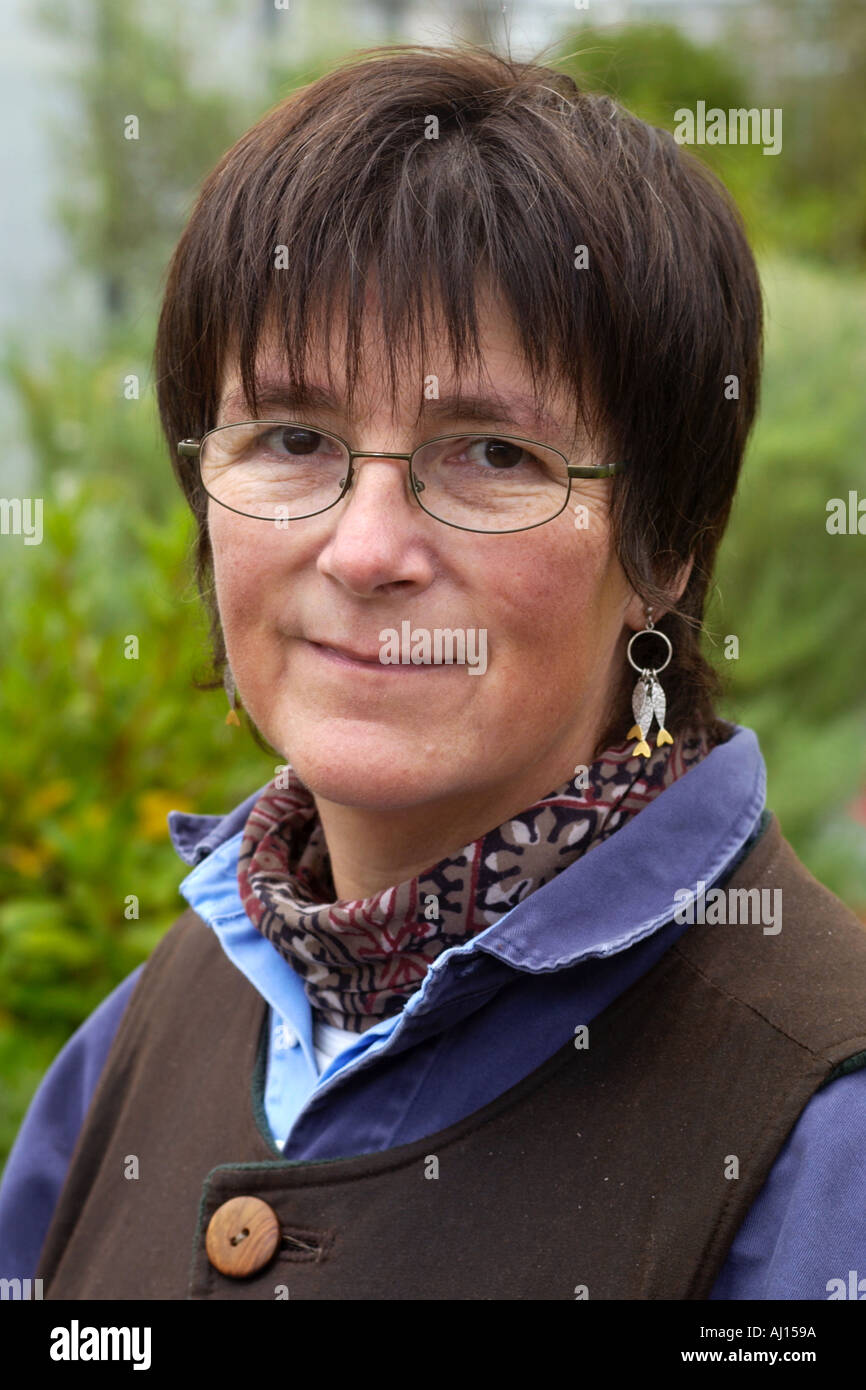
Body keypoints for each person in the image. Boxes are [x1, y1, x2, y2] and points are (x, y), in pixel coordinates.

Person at [2, 42, 865, 1302]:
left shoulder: (816, 1120)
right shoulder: (143, 1031)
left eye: (492, 456)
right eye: (293, 437)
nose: (363, 551)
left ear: (667, 542)